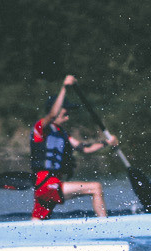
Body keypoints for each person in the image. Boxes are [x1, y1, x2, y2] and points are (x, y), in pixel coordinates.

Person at [31, 75, 116, 220]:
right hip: (46, 184)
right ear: (56, 110)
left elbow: (85, 149)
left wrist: (107, 143)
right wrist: (64, 87)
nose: (68, 117)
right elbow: (51, 115)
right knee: (96, 188)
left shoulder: (63, 134)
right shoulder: (40, 128)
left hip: (49, 185)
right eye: (65, 112)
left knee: (36, 223)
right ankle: (106, 227)